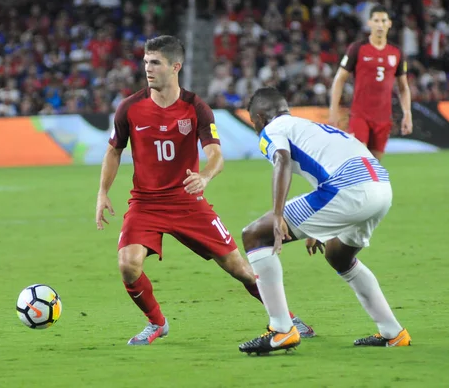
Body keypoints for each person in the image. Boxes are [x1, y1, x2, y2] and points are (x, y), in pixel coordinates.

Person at [95, 36, 313, 345]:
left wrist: (205, 177)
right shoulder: (130, 108)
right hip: (145, 204)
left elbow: (216, 156)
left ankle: (286, 319)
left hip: (187, 203)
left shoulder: (196, 107)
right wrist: (103, 192)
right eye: (145, 62)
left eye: (155, 63)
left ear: (175, 67)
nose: (148, 69)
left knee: (240, 269)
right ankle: (156, 323)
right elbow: (114, 151)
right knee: (127, 265)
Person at [238, 87, 411, 355]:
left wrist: (278, 214)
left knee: (254, 235)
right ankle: (393, 332)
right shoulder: (309, 127)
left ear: (259, 117)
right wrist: (319, 226)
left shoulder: (272, 130)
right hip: (381, 186)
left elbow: (281, 160)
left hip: (348, 189)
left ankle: (281, 329)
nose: (255, 127)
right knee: (339, 257)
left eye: (253, 122)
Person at [329, 4, 413, 161]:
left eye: (383, 20)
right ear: (369, 23)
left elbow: (403, 87)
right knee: (360, 162)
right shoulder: (358, 48)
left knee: (374, 166)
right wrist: (333, 110)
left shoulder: (396, 52)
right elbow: (339, 79)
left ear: (389, 23)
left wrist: (407, 114)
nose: (380, 25)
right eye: (376, 20)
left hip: (383, 119)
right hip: (360, 116)